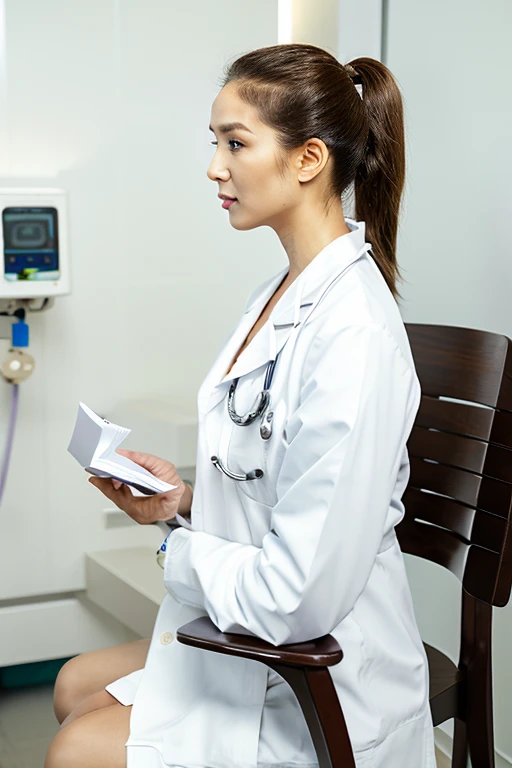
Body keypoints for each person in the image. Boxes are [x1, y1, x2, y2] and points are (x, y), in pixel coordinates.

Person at [45, 43, 437, 768]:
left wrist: (177, 548)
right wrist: (184, 502)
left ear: (307, 159)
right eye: (214, 142)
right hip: (260, 637)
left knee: (75, 747)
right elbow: (276, 491)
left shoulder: (354, 334)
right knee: (73, 685)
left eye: (235, 143)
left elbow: (297, 600)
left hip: (314, 670)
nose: (214, 166)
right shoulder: (281, 293)